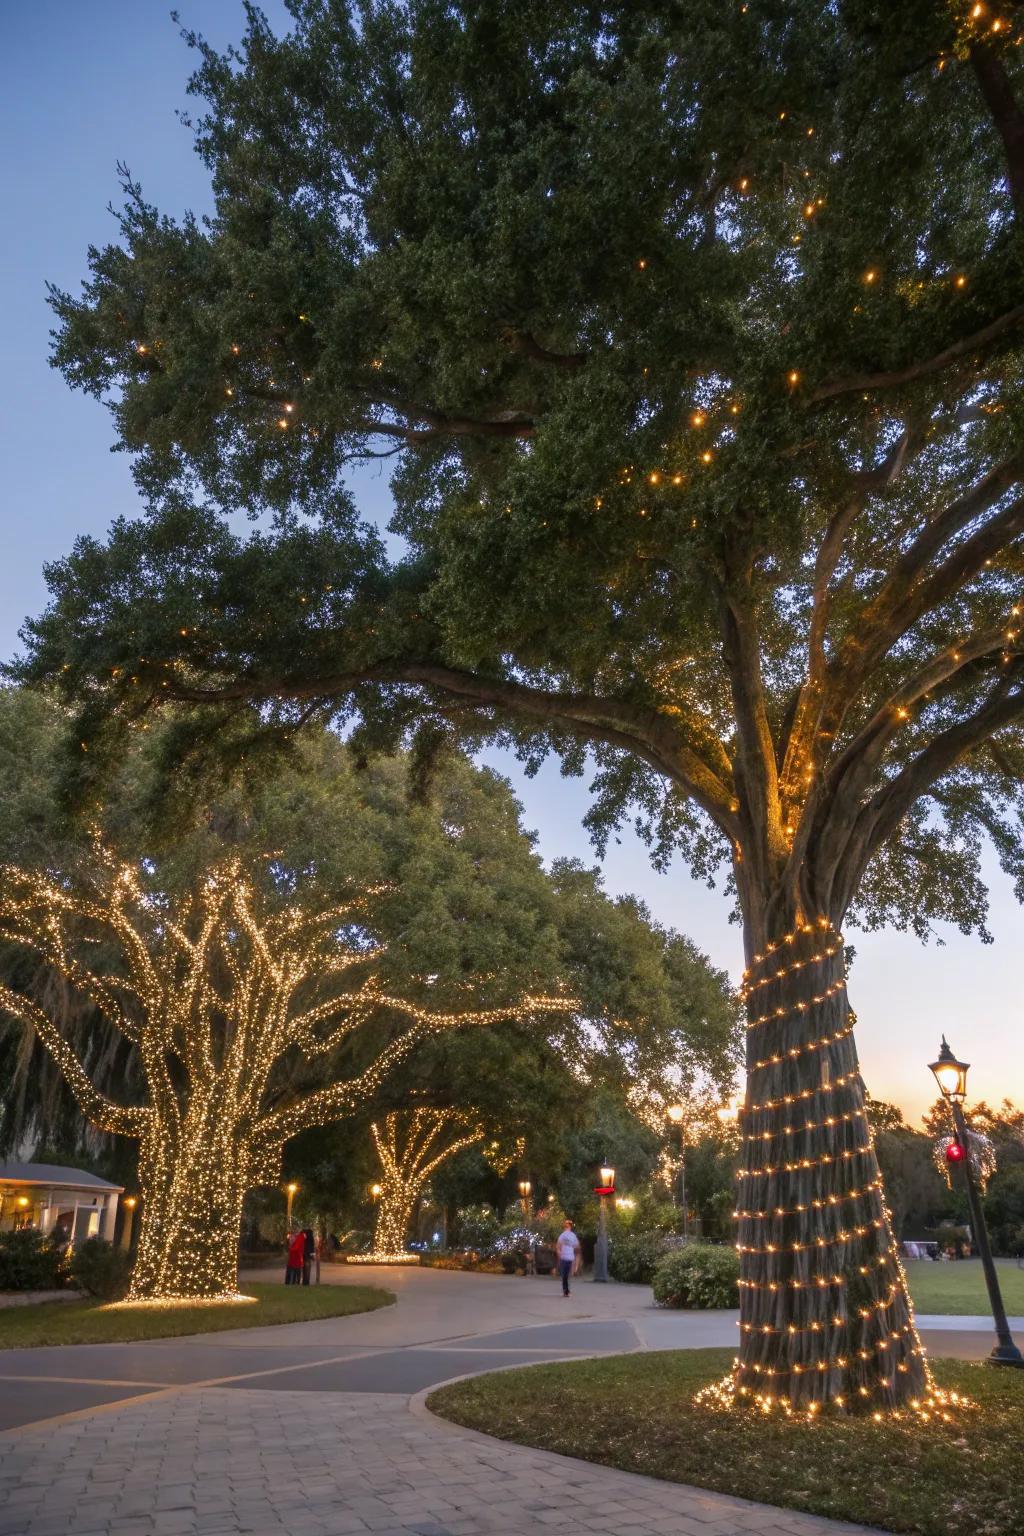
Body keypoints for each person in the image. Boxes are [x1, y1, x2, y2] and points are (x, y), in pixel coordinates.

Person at [555, 1219, 580, 1297]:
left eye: (568, 1225)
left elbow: (577, 1246)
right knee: (565, 1275)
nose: (567, 1226)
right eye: (566, 1224)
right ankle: (566, 1291)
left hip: (570, 1258)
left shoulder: (573, 1235)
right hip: (564, 1258)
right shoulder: (562, 1235)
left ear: (570, 1226)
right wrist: (559, 1254)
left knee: (567, 1275)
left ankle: (566, 1290)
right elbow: (558, 1246)